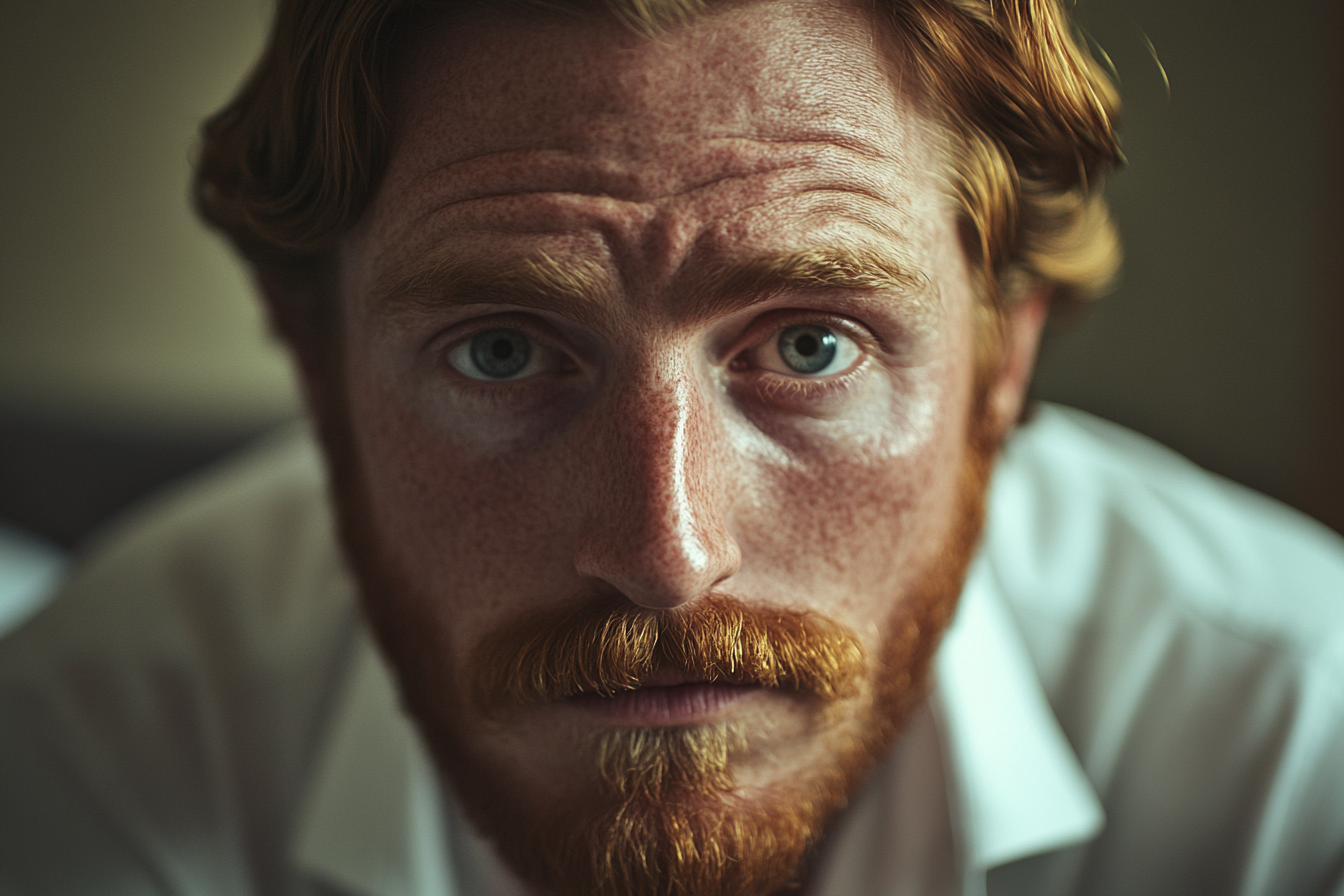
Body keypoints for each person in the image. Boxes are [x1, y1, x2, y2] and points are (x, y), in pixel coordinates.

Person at [2, 0, 1342, 894]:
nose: (665, 553)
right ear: (318, 368)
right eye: (504, 352)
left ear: (1006, 358)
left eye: (812, 346)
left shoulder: (1296, 747)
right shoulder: (91, 742)